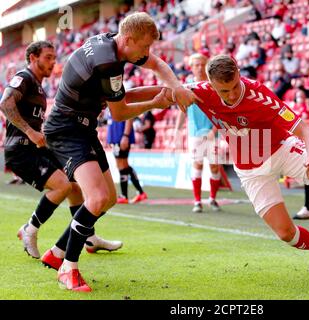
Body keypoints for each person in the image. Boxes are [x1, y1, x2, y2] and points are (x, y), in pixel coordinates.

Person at [141, 54, 309, 273]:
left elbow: (307, 131)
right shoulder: (199, 92)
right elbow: (159, 91)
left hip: (281, 149)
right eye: (225, 90)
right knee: (285, 233)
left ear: (238, 73)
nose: (233, 94)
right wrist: (114, 97)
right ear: (212, 85)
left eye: (236, 85)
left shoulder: (259, 94)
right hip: (250, 170)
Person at [42, 12, 199, 292]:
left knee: (109, 199)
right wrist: (157, 102)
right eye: (144, 47)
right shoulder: (107, 63)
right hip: (66, 130)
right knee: (98, 197)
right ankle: (68, 267)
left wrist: (174, 89)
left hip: (82, 128)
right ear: (128, 39)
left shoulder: (109, 44)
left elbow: (156, 66)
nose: (147, 53)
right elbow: (121, 110)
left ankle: (56, 252)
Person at [0, 41, 122, 261]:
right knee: (63, 185)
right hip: (21, 150)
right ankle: (30, 228)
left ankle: (89, 236)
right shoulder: (24, 78)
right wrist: (29, 132)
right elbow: (5, 102)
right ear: (32, 58)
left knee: (75, 186)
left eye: (54, 57)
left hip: (37, 147)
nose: (53, 61)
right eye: (47, 57)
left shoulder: (39, 86)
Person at [174, 53, 221, 213]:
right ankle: (197, 201)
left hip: (213, 133)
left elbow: (221, 112)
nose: (200, 67)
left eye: (202, 64)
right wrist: (177, 130)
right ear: (191, 67)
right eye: (196, 65)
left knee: (215, 167)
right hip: (195, 133)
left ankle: (213, 199)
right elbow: (182, 109)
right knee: (197, 164)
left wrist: (214, 130)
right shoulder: (186, 86)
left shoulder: (213, 85)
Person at [106, 114, 148, 204]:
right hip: (116, 137)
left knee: (122, 165)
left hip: (121, 136)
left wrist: (125, 135)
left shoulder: (121, 100)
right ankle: (138, 192)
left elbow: (129, 116)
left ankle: (126, 195)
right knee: (123, 165)